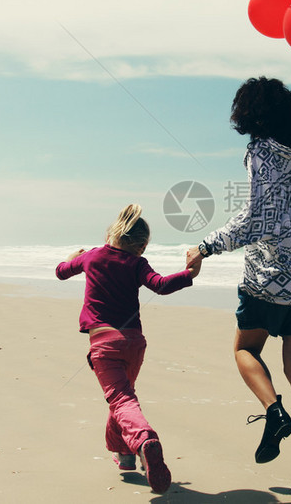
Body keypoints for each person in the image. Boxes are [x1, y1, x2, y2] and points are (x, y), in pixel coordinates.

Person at [187, 65, 291, 495]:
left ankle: (273, 411)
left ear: (252, 119)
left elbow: (256, 219)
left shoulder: (263, 152)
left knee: (245, 349)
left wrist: (206, 246)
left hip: (268, 278)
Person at [56, 204, 200, 494]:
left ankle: (144, 440)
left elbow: (61, 272)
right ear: (142, 245)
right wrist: (189, 272)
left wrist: (71, 258)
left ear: (112, 231)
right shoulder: (136, 264)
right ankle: (124, 456)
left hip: (105, 344)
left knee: (121, 401)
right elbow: (160, 285)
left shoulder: (91, 257)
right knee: (123, 398)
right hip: (134, 344)